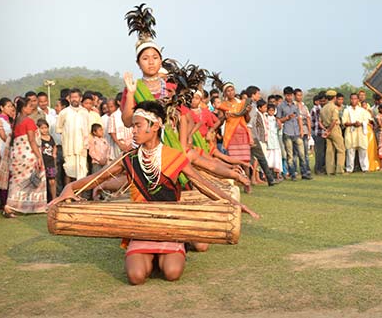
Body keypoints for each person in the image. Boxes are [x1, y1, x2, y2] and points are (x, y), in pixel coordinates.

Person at [48, 101, 259, 285]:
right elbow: (97, 178)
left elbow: (201, 183)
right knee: (136, 277)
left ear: (155, 126)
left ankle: (172, 250)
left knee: (172, 273)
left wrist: (234, 204)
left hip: (171, 224)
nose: (134, 131)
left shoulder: (174, 156)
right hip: (140, 226)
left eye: (138, 126)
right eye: (133, 127)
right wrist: (69, 188)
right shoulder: (129, 158)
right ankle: (149, 256)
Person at [4, 97, 46, 216]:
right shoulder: (28, 121)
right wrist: (39, 157)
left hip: (17, 154)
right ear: (23, 108)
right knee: (35, 177)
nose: (31, 108)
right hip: (28, 154)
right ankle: (33, 206)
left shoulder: (15, 122)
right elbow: (32, 141)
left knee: (17, 181)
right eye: (29, 106)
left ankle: (10, 205)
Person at [56, 88, 90, 185]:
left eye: (76, 97)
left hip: (81, 147)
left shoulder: (85, 112)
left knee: (82, 171)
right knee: (69, 171)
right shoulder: (64, 112)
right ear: (69, 99)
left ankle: (79, 195)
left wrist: (85, 145)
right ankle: (68, 196)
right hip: (69, 148)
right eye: (72, 97)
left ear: (80, 98)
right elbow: (59, 129)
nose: (74, 99)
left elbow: (87, 129)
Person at [276, 86, 310, 181]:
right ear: (284, 95)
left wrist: (301, 130)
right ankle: (292, 174)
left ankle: (304, 173)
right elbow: (278, 120)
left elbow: (299, 118)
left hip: (297, 132)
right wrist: (287, 118)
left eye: (290, 95)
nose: (289, 97)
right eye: (287, 95)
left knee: (302, 154)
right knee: (290, 155)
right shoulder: (281, 106)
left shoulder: (295, 105)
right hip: (287, 132)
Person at [342, 93, 371, 173]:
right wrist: (353, 124)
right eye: (352, 99)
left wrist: (360, 123)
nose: (353, 100)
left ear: (358, 100)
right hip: (350, 133)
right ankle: (349, 169)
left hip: (361, 132)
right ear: (350, 100)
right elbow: (344, 122)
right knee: (350, 151)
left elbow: (367, 120)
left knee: (363, 150)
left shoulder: (362, 110)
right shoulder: (347, 110)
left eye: (355, 99)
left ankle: (365, 168)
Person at [320, 90, 345, 175]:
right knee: (341, 149)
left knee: (329, 151)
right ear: (334, 98)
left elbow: (320, 122)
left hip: (327, 128)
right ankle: (340, 170)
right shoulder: (334, 107)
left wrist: (326, 130)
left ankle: (329, 171)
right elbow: (334, 120)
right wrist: (329, 130)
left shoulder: (323, 108)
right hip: (334, 129)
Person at [38, 119, 58, 201]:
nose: (44, 130)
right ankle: (43, 199)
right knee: (42, 182)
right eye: (42, 128)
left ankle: (54, 198)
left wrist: (54, 153)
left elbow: (54, 146)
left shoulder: (50, 137)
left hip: (50, 163)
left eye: (46, 128)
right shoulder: (38, 138)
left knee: (52, 181)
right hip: (42, 162)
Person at [310, 93, 327, 174]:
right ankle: (318, 169)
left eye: (324, 101)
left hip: (326, 133)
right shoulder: (315, 109)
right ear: (318, 101)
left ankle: (322, 168)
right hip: (319, 133)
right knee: (319, 153)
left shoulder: (326, 108)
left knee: (325, 152)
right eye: (321, 101)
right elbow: (312, 122)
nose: (323, 102)